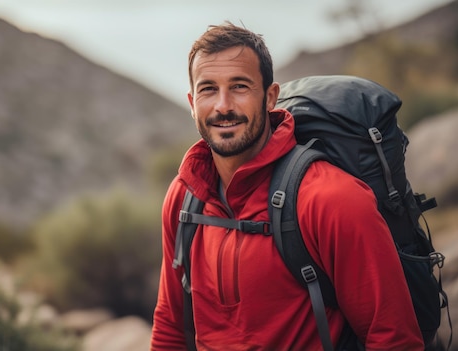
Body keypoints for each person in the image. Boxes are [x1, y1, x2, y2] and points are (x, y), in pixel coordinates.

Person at [151, 21, 424, 350]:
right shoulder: (185, 197)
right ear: (193, 103)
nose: (223, 105)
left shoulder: (330, 199)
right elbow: (170, 323)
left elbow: (394, 339)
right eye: (208, 89)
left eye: (239, 87)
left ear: (270, 97)